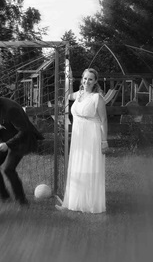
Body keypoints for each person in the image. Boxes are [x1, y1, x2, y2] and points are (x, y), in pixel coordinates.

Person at [0, 79, 44, 206]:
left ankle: (22, 201)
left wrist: (8, 145)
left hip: (22, 139)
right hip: (6, 138)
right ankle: (4, 196)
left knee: (9, 169)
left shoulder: (11, 108)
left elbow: (25, 131)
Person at [57, 68, 109, 213]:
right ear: (82, 79)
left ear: (95, 81)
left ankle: (90, 203)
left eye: (90, 79)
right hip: (78, 136)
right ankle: (75, 202)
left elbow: (104, 120)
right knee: (77, 167)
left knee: (89, 167)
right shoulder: (78, 94)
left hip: (92, 135)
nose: (87, 81)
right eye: (85, 78)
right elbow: (66, 94)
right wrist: (67, 77)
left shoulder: (97, 98)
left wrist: (104, 141)